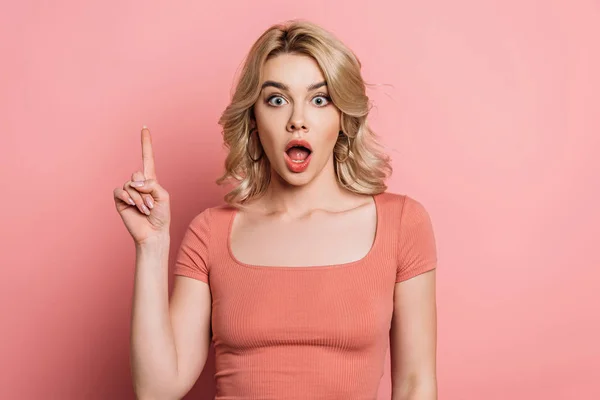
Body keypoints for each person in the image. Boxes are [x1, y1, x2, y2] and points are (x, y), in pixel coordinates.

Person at [114, 19, 438, 400]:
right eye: (277, 99)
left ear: (343, 119)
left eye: (319, 99)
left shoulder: (402, 224)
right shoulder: (210, 233)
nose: (297, 120)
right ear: (253, 119)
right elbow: (156, 389)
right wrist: (151, 247)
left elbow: (416, 384)